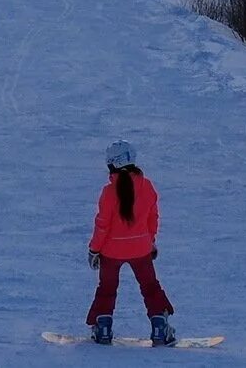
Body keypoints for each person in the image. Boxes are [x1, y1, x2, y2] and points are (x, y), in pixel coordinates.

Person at [84, 141, 173, 347]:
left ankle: (103, 328)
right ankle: (160, 327)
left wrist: (94, 249)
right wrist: (150, 242)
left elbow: (102, 225)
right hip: (141, 249)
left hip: (110, 252)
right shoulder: (147, 186)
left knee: (106, 288)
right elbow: (153, 218)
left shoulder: (108, 192)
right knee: (150, 287)